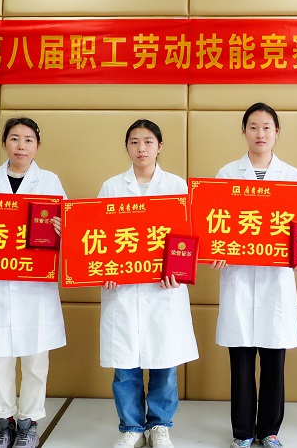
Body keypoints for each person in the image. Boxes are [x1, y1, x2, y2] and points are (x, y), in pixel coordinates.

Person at [212, 103, 297, 448]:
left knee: (273, 361)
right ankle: (242, 432)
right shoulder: (227, 173)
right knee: (240, 361)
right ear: (244, 132)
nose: (260, 133)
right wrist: (215, 251)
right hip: (238, 278)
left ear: (276, 133)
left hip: (275, 280)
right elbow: (215, 220)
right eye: (253, 127)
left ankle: (269, 430)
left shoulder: (291, 175)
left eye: (267, 127)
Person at [97, 120, 198, 448]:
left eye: (148, 141)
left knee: (164, 362)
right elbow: (97, 236)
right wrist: (104, 269)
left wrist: (178, 272)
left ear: (160, 146)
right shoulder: (112, 187)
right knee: (125, 364)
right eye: (134, 142)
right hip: (123, 290)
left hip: (163, 290)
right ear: (127, 147)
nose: (141, 148)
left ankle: (160, 425)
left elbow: (186, 237)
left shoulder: (176, 186)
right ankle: (131, 427)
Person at [0, 117, 67, 448]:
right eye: (14, 138)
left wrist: (62, 227)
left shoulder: (49, 181)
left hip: (34, 285)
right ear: (4, 143)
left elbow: (69, 230)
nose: (21, 146)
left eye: (28, 140)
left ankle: (28, 422)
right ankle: (4, 421)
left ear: (37, 145)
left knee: (35, 359)